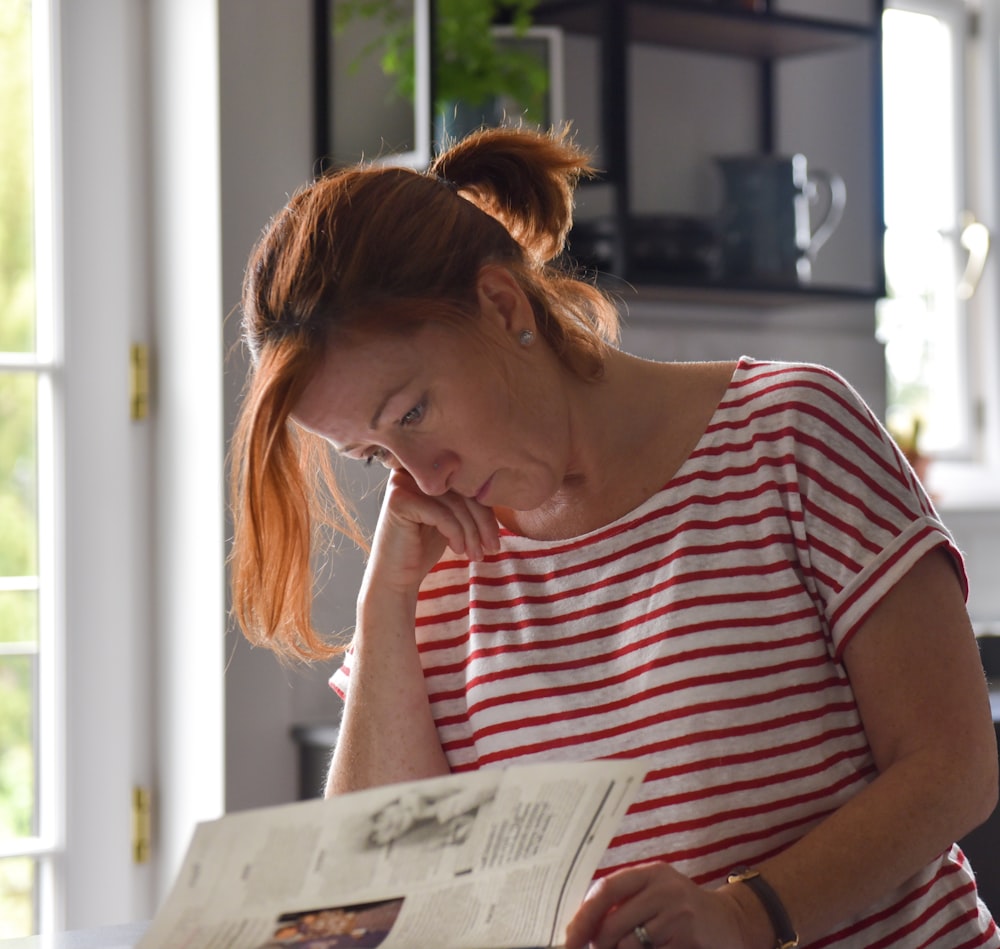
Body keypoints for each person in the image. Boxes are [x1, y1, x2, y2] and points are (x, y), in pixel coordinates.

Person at [229, 126, 999, 949]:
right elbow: (371, 903)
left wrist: (748, 912)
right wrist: (386, 608)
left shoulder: (790, 434)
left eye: (412, 412)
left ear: (502, 305)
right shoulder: (428, 564)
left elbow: (952, 767)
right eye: (376, 451)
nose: (423, 475)